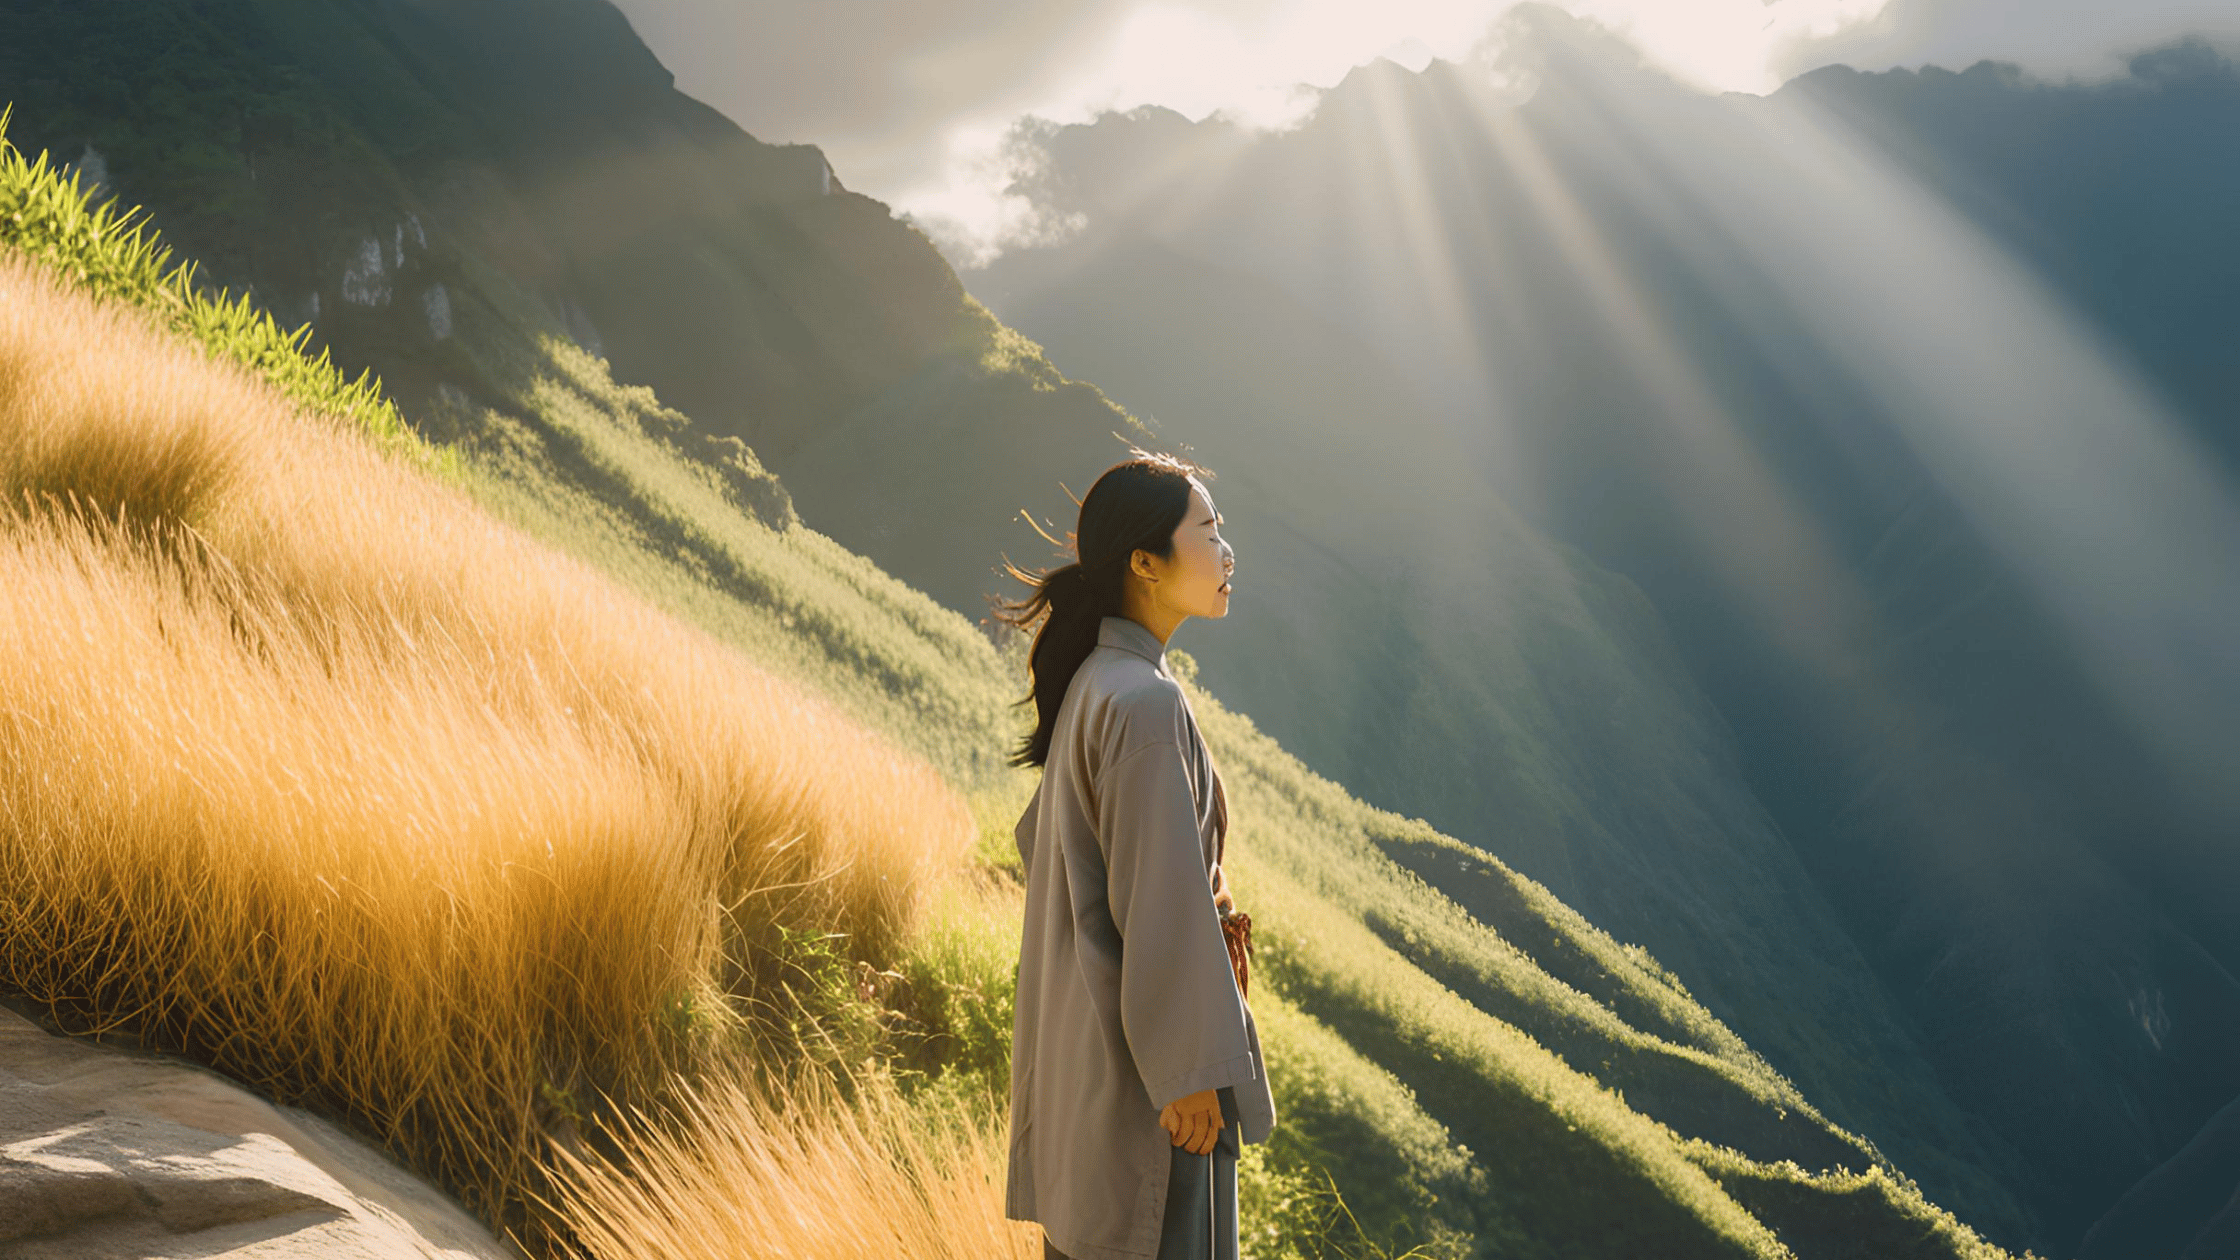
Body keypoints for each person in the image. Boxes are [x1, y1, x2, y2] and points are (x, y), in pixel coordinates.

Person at [993, 449, 1277, 1260]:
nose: (1228, 552)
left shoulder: (1098, 683)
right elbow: (1158, 904)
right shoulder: (1145, 704)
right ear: (1145, 563)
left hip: (1099, 1074)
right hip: (1158, 1095)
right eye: (1210, 529)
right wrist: (1188, 1074)